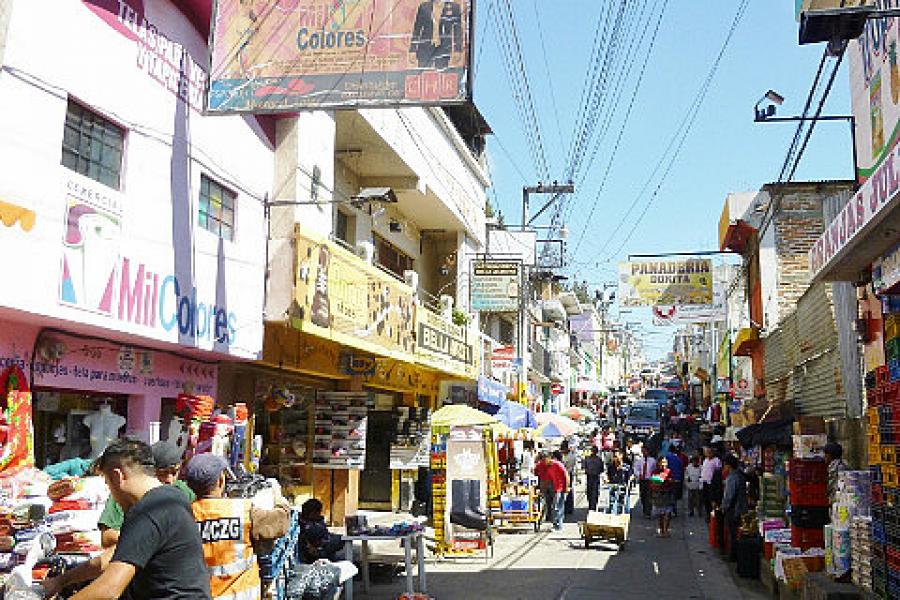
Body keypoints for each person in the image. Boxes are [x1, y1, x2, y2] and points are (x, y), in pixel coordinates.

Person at [42, 439, 211, 599]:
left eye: (108, 484)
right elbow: (112, 557)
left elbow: (109, 590)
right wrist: (61, 581)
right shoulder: (173, 498)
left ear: (118, 476)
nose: (112, 494)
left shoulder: (148, 510)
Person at [186, 454, 290, 599]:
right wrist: (278, 496)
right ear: (221, 481)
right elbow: (280, 521)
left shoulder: (185, 516)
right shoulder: (242, 509)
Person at [97, 441, 195, 548]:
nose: (170, 480)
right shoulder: (123, 493)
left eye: (174, 472)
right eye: (163, 473)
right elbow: (107, 537)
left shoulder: (184, 492)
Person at [409, 0, 463, 69]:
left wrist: (457, 50)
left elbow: (457, 30)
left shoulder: (454, 7)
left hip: (443, 49)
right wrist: (412, 50)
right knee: (424, 74)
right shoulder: (424, 7)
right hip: (425, 48)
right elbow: (417, 29)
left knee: (442, 74)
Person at [297, 498, 346, 563]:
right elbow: (323, 537)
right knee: (339, 541)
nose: (319, 514)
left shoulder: (310, 522)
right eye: (318, 512)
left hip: (320, 547)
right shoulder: (309, 527)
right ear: (312, 513)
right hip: (315, 553)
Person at [720, 454, 748, 561]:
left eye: (725, 465)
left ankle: (733, 555)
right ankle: (735, 554)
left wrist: (723, 507)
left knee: (732, 533)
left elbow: (729, 496)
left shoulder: (732, 477)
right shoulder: (740, 475)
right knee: (736, 532)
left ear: (728, 465)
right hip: (741, 508)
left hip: (733, 509)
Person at [534, 451, 568, 530]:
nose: (544, 462)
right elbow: (536, 474)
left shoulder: (557, 464)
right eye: (542, 460)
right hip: (547, 486)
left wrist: (566, 488)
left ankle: (558, 525)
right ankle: (552, 522)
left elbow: (566, 475)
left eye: (545, 460)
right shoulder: (541, 465)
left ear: (549, 458)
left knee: (557, 506)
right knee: (548, 505)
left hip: (559, 487)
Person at [650, 457, 674, 537]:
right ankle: (662, 530)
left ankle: (666, 530)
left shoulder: (669, 471)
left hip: (667, 494)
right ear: (658, 463)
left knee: (668, 513)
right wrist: (656, 483)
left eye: (665, 462)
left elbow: (672, 481)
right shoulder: (655, 472)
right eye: (662, 462)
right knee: (660, 514)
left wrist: (670, 481)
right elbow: (652, 483)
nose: (663, 464)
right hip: (658, 495)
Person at [633, 445, 656, 519]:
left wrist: (653, 478)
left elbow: (654, 469)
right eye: (643, 451)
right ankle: (644, 509)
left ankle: (648, 511)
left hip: (649, 480)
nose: (644, 452)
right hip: (642, 480)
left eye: (645, 451)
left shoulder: (652, 460)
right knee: (643, 496)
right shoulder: (639, 460)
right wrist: (639, 474)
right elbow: (636, 469)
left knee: (649, 496)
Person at [700, 446, 722, 522]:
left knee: (711, 499)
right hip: (705, 482)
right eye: (706, 452)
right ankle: (708, 514)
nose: (708, 453)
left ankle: (713, 515)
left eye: (709, 452)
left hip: (712, 483)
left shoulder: (716, 460)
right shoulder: (705, 460)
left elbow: (718, 471)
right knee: (705, 499)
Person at [664, 444, 684, 517]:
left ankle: (668, 510)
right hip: (677, 479)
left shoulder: (666, 457)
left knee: (668, 495)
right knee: (674, 496)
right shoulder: (678, 459)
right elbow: (681, 469)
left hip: (668, 479)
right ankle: (673, 510)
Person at [582, 446, 604, 511]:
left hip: (591, 477)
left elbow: (584, 467)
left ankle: (591, 506)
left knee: (591, 492)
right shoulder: (599, 459)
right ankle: (593, 506)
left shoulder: (587, 459)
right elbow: (601, 469)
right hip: (595, 477)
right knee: (594, 492)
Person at [560, 441, 578, 515]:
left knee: (569, 490)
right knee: (563, 491)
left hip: (568, 474)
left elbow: (569, 466)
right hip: (562, 474)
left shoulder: (571, 456)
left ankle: (569, 508)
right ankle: (564, 507)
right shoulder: (563, 455)